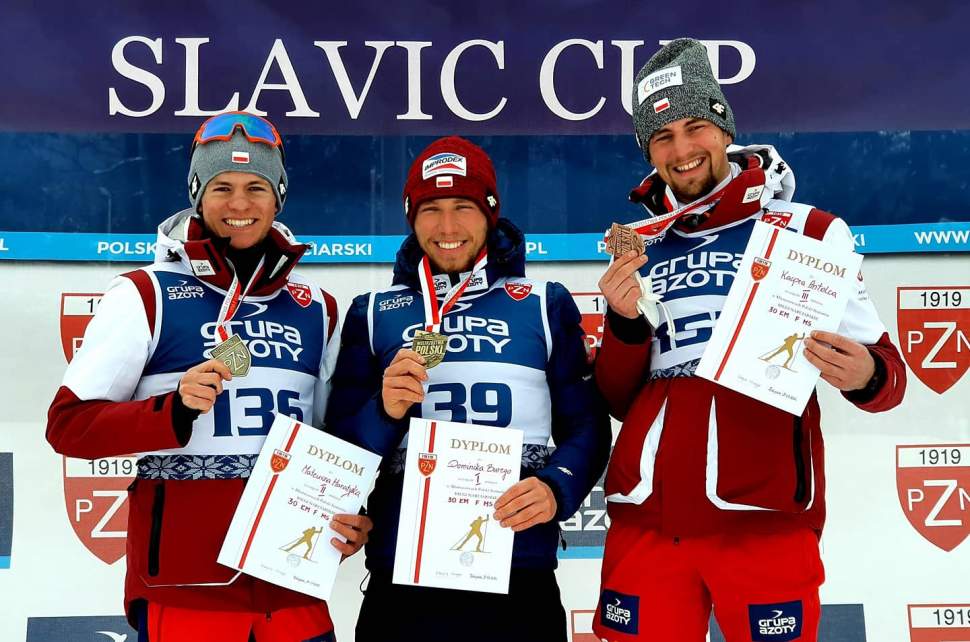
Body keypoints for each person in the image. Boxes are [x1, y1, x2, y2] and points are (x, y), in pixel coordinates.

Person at [592, 40, 907, 642]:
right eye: (662, 138)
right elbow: (615, 396)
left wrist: (866, 373)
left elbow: (888, 380)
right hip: (647, 522)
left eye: (695, 127)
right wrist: (626, 324)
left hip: (763, 522)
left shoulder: (810, 230)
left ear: (724, 127)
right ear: (648, 150)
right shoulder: (635, 243)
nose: (682, 151)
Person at [46, 112, 371, 642]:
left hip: (291, 589)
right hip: (185, 591)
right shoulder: (144, 294)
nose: (239, 205)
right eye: (222, 187)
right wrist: (171, 409)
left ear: (278, 196)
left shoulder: (317, 307)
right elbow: (68, 426)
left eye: (256, 188)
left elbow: (334, 440)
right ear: (198, 193)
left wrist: (349, 509)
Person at [325, 136, 611, 642]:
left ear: (491, 213)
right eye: (431, 209)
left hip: (517, 569)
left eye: (464, 207)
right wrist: (384, 411)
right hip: (403, 573)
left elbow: (586, 423)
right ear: (411, 217)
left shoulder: (543, 303)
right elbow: (338, 443)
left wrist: (557, 487)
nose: (448, 227)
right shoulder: (372, 312)